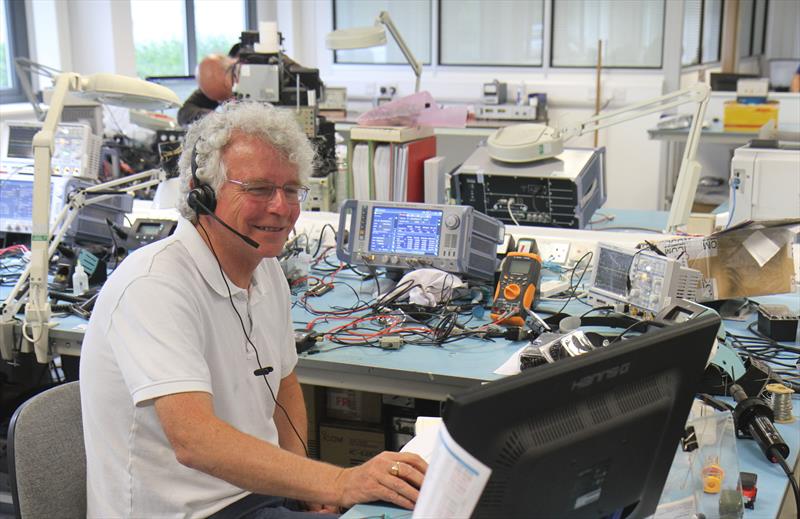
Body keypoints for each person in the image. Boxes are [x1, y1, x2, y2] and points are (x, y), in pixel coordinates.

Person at [80, 101, 427, 517]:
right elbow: (195, 441)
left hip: (255, 497)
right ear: (201, 193)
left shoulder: (266, 272)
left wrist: (307, 488)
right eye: (259, 189)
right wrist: (337, 482)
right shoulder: (154, 284)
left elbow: (285, 387)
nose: (281, 207)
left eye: (292, 190)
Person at [178, 53, 237, 125]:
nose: (228, 104)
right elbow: (184, 113)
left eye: (230, 97)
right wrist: (215, 117)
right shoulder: (214, 88)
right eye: (221, 101)